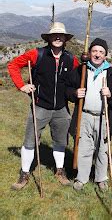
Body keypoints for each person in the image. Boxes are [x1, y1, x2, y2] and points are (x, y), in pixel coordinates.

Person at [7, 22, 79, 190]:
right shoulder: (37, 54)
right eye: (54, 35)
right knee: (30, 140)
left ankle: (60, 171)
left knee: (60, 141)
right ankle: (24, 173)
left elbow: (78, 77)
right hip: (40, 106)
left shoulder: (70, 59)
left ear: (65, 39)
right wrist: (21, 86)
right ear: (49, 38)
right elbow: (13, 65)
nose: (58, 37)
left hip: (62, 108)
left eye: (61, 35)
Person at [65, 38, 112, 191]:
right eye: (94, 51)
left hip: (103, 116)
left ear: (105, 55)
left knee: (102, 149)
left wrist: (110, 94)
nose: (97, 54)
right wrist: (74, 92)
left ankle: (101, 179)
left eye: (101, 52)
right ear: (90, 53)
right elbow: (67, 88)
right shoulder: (81, 70)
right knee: (84, 148)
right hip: (84, 115)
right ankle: (81, 178)